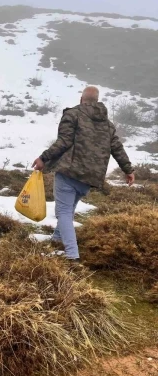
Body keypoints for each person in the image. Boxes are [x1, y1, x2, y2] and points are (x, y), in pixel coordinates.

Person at [32, 86, 134, 263]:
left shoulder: (73, 115)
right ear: (97, 101)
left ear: (81, 99)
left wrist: (43, 158)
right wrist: (128, 170)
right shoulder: (108, 125)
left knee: (63, 211)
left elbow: (63, 141)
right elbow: (117, 148)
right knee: (68, 209)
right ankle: (56, 240)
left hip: (69, 172)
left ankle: (72, 256)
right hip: (90, 178)